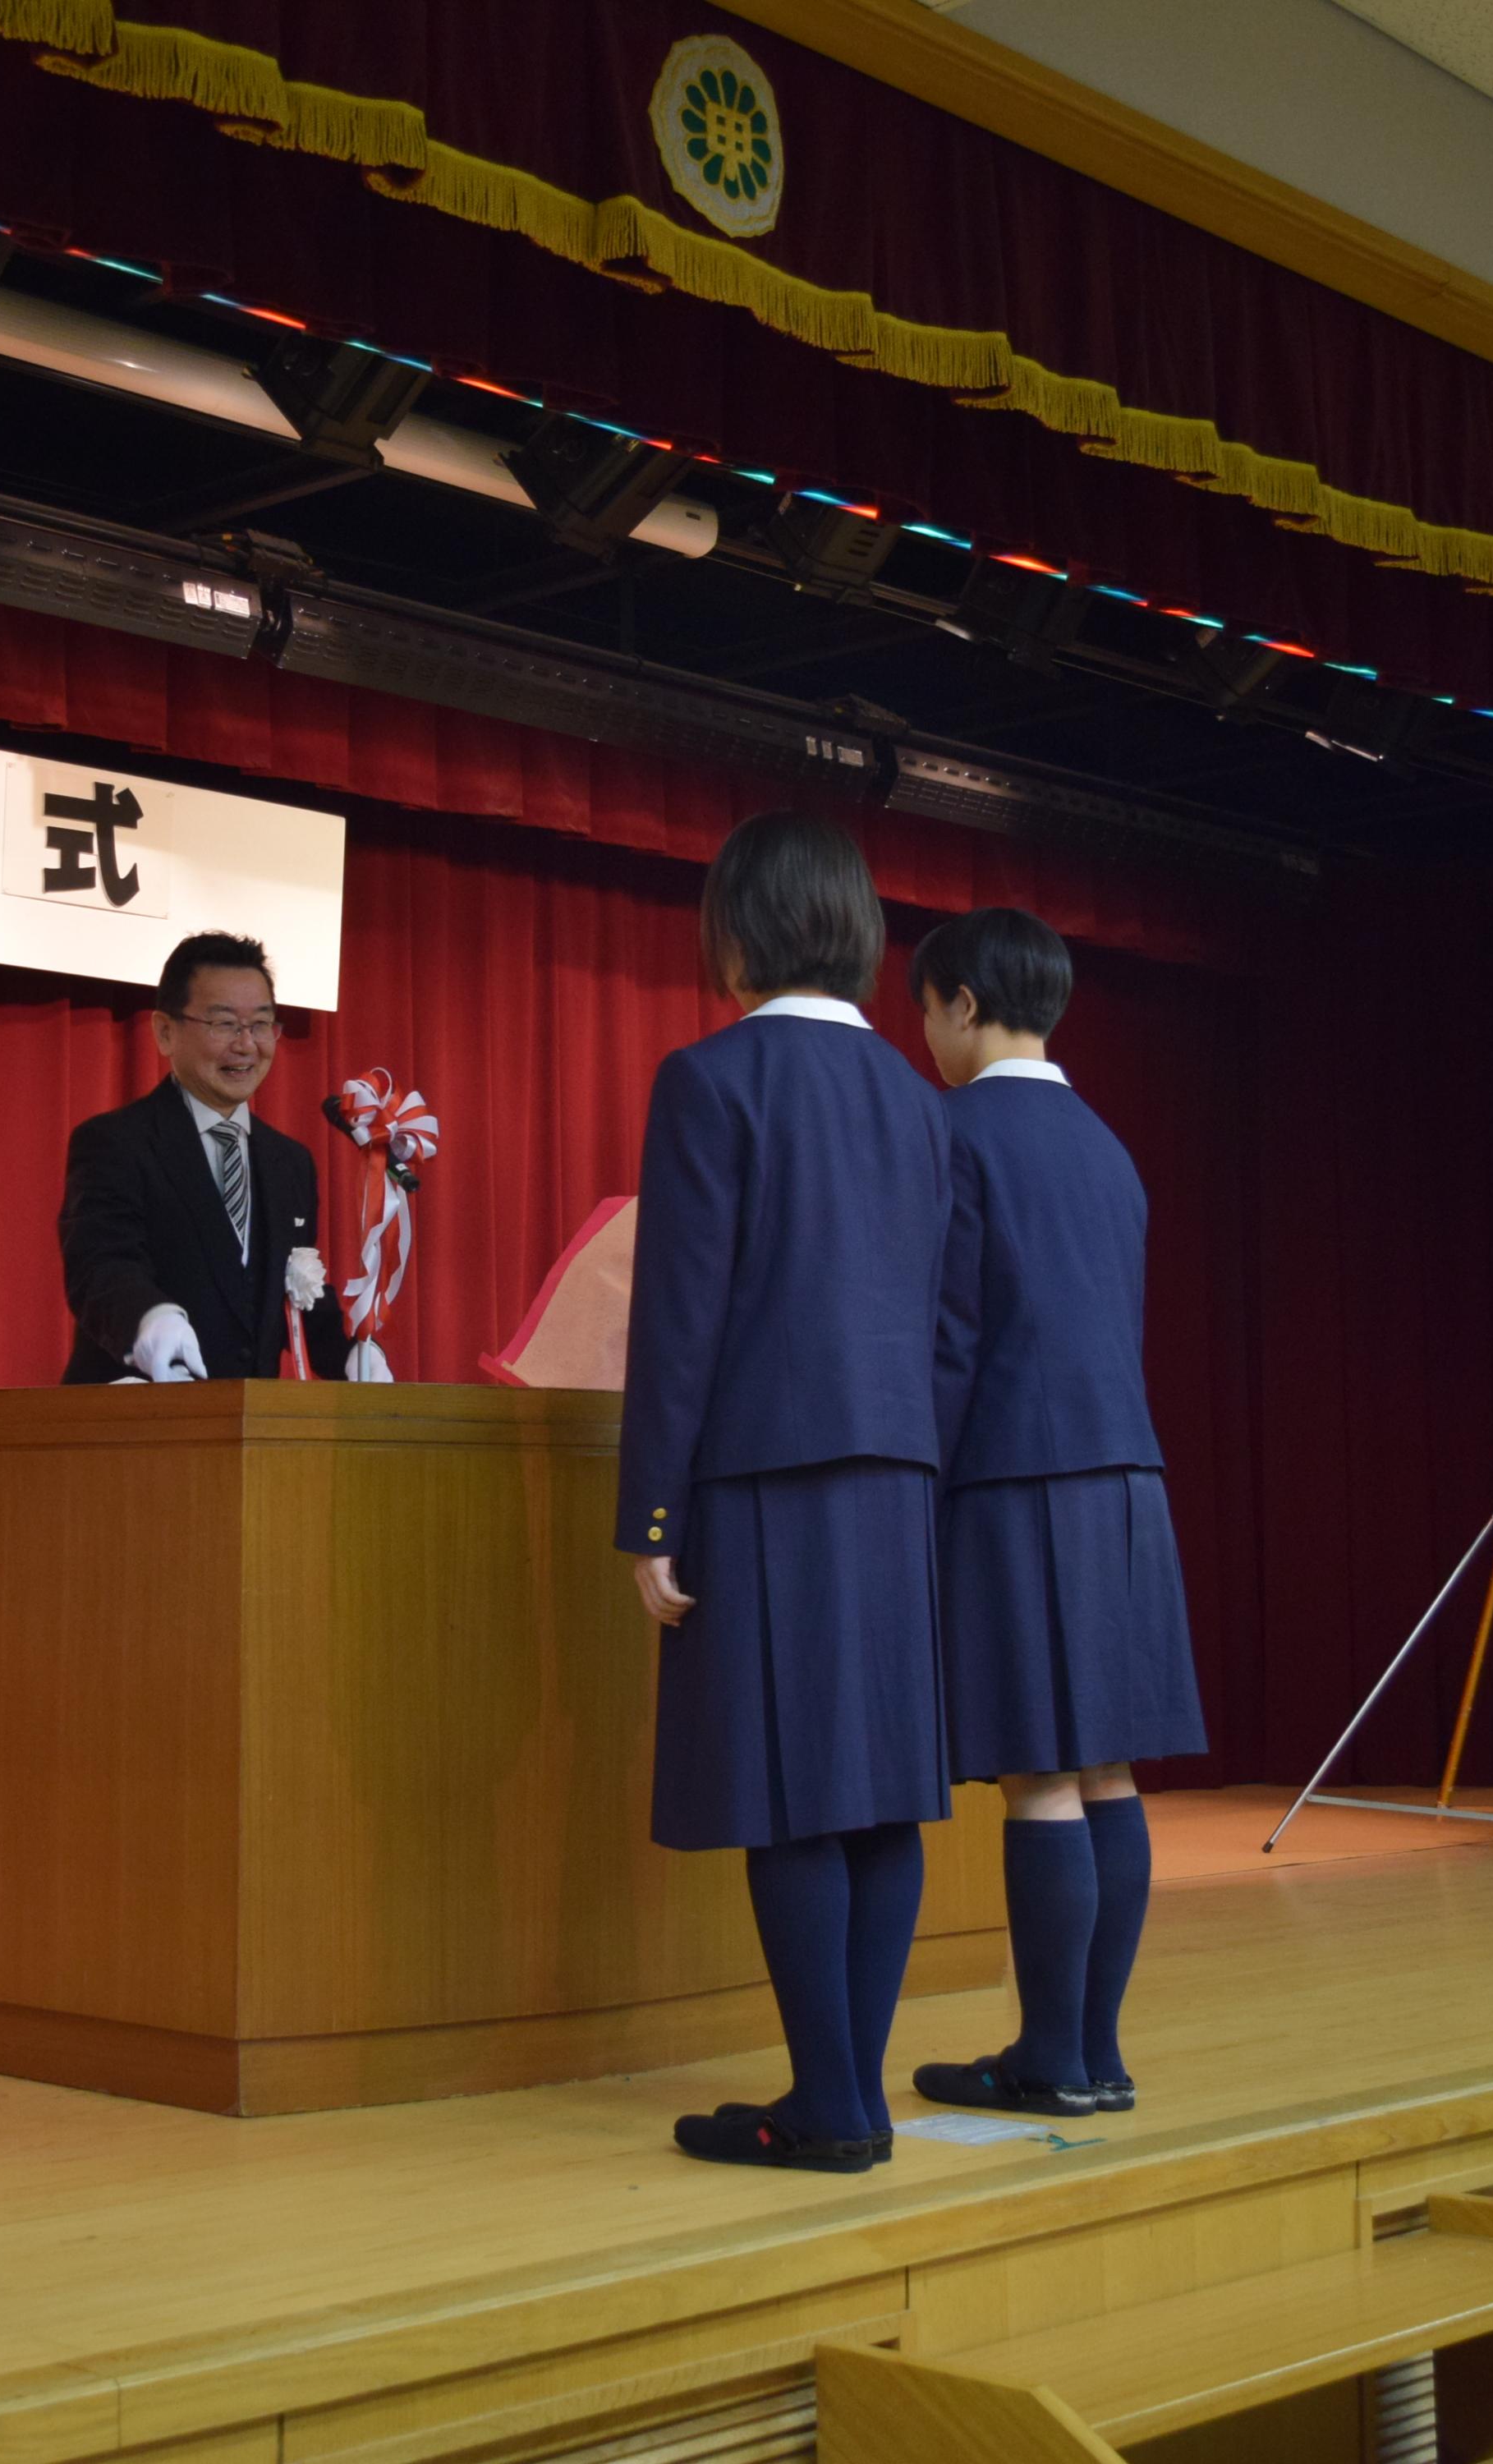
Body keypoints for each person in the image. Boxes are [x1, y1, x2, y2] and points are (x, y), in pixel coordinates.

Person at [618, 811, 953, 2173]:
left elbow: (679, 1318)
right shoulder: (921, 1102)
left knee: (792, 1790)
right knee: (881, 1793)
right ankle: (847, 2096)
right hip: (898, 1480)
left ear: (739, 929)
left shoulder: (713, 1078)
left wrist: (652, 1517)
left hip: (765, 1479)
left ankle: (832, 2105)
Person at [907, 906, 1204, 2121]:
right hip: (1127, 1481)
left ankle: (1046, 2058)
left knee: (1037, 1778)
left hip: (1016, 1480)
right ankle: (1095, 2055)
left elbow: (949, 1341)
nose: (924, 1037)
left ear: (964, 1004)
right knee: (1108, 1773)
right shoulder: (1107, 1144)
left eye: (927, 1011)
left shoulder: (952, 1132)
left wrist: (910, 1481)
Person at [58, 931, 350, 1385]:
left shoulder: (290, 1162)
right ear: (165, 1032)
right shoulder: (116, 1142)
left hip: (251, 1418)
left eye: (261, 1024)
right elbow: (101, 1266)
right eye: (223, 1023)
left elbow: (298, 1289)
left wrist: (350, 1356)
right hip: (137, 1407)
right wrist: (150, 1319)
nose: (246, 1045)